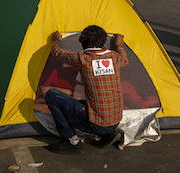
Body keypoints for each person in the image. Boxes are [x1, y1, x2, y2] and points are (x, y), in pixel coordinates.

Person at [44, 26, 128, 155]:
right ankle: (108, 133)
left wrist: (56, 40)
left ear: (82, 42)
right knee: (90, 103)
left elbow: (58, 53)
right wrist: (118, 46)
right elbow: (124, 59)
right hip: (115, 121)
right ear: (104, 41)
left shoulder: (83, 59)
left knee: (52, 95)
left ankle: (72, 141)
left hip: (98, 124)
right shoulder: (114, 57)